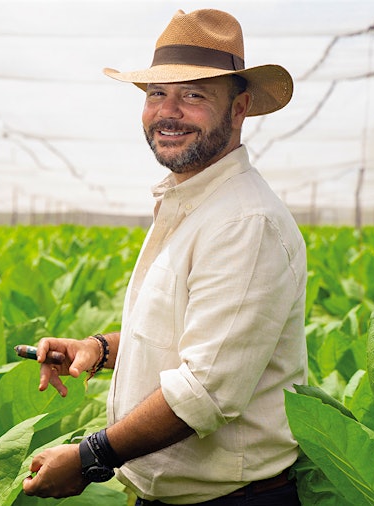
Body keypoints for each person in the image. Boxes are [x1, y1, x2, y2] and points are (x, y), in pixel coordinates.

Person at [22, 8, 307, 505]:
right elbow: (188, 338)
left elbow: (204, 393)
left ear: (238, 109)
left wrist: (90, 458)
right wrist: (102, 349)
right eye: (158, 94)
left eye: (194, 95)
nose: (168, 111)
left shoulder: (244, 222)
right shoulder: (192, 204)